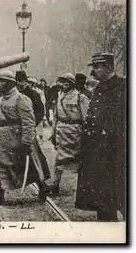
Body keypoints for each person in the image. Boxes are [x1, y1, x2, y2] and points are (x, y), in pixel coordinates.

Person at [0, 70, 48, 206]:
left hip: (19, 138)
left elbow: (28, 122)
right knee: (0, 165)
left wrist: (26, 142)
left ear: (10, 83)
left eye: (2, 81)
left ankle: (43, 188)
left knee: (31, 165)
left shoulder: (21, 99)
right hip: (4, 139)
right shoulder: (2, 99)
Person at [76, 52, 126, 221]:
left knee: (121, 194)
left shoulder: (122, 88)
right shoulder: (99, 87)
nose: (94, 71)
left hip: (115, 151)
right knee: (102, 198)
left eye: (97, 67)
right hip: (97, 151)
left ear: (109, 67)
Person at [49, 72, 89, 195]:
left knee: (79, 161)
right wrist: (53, 132)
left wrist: (86, 134)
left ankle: (82, 189)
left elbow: (85, 118)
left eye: (67, 82)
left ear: (72, 84)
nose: (64, 84)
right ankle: (55, 185)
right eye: (62, 81)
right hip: (62, 132)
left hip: (75, 132)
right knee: (59, 161)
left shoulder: (80, 97)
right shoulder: (60, 96)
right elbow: (55, 116)